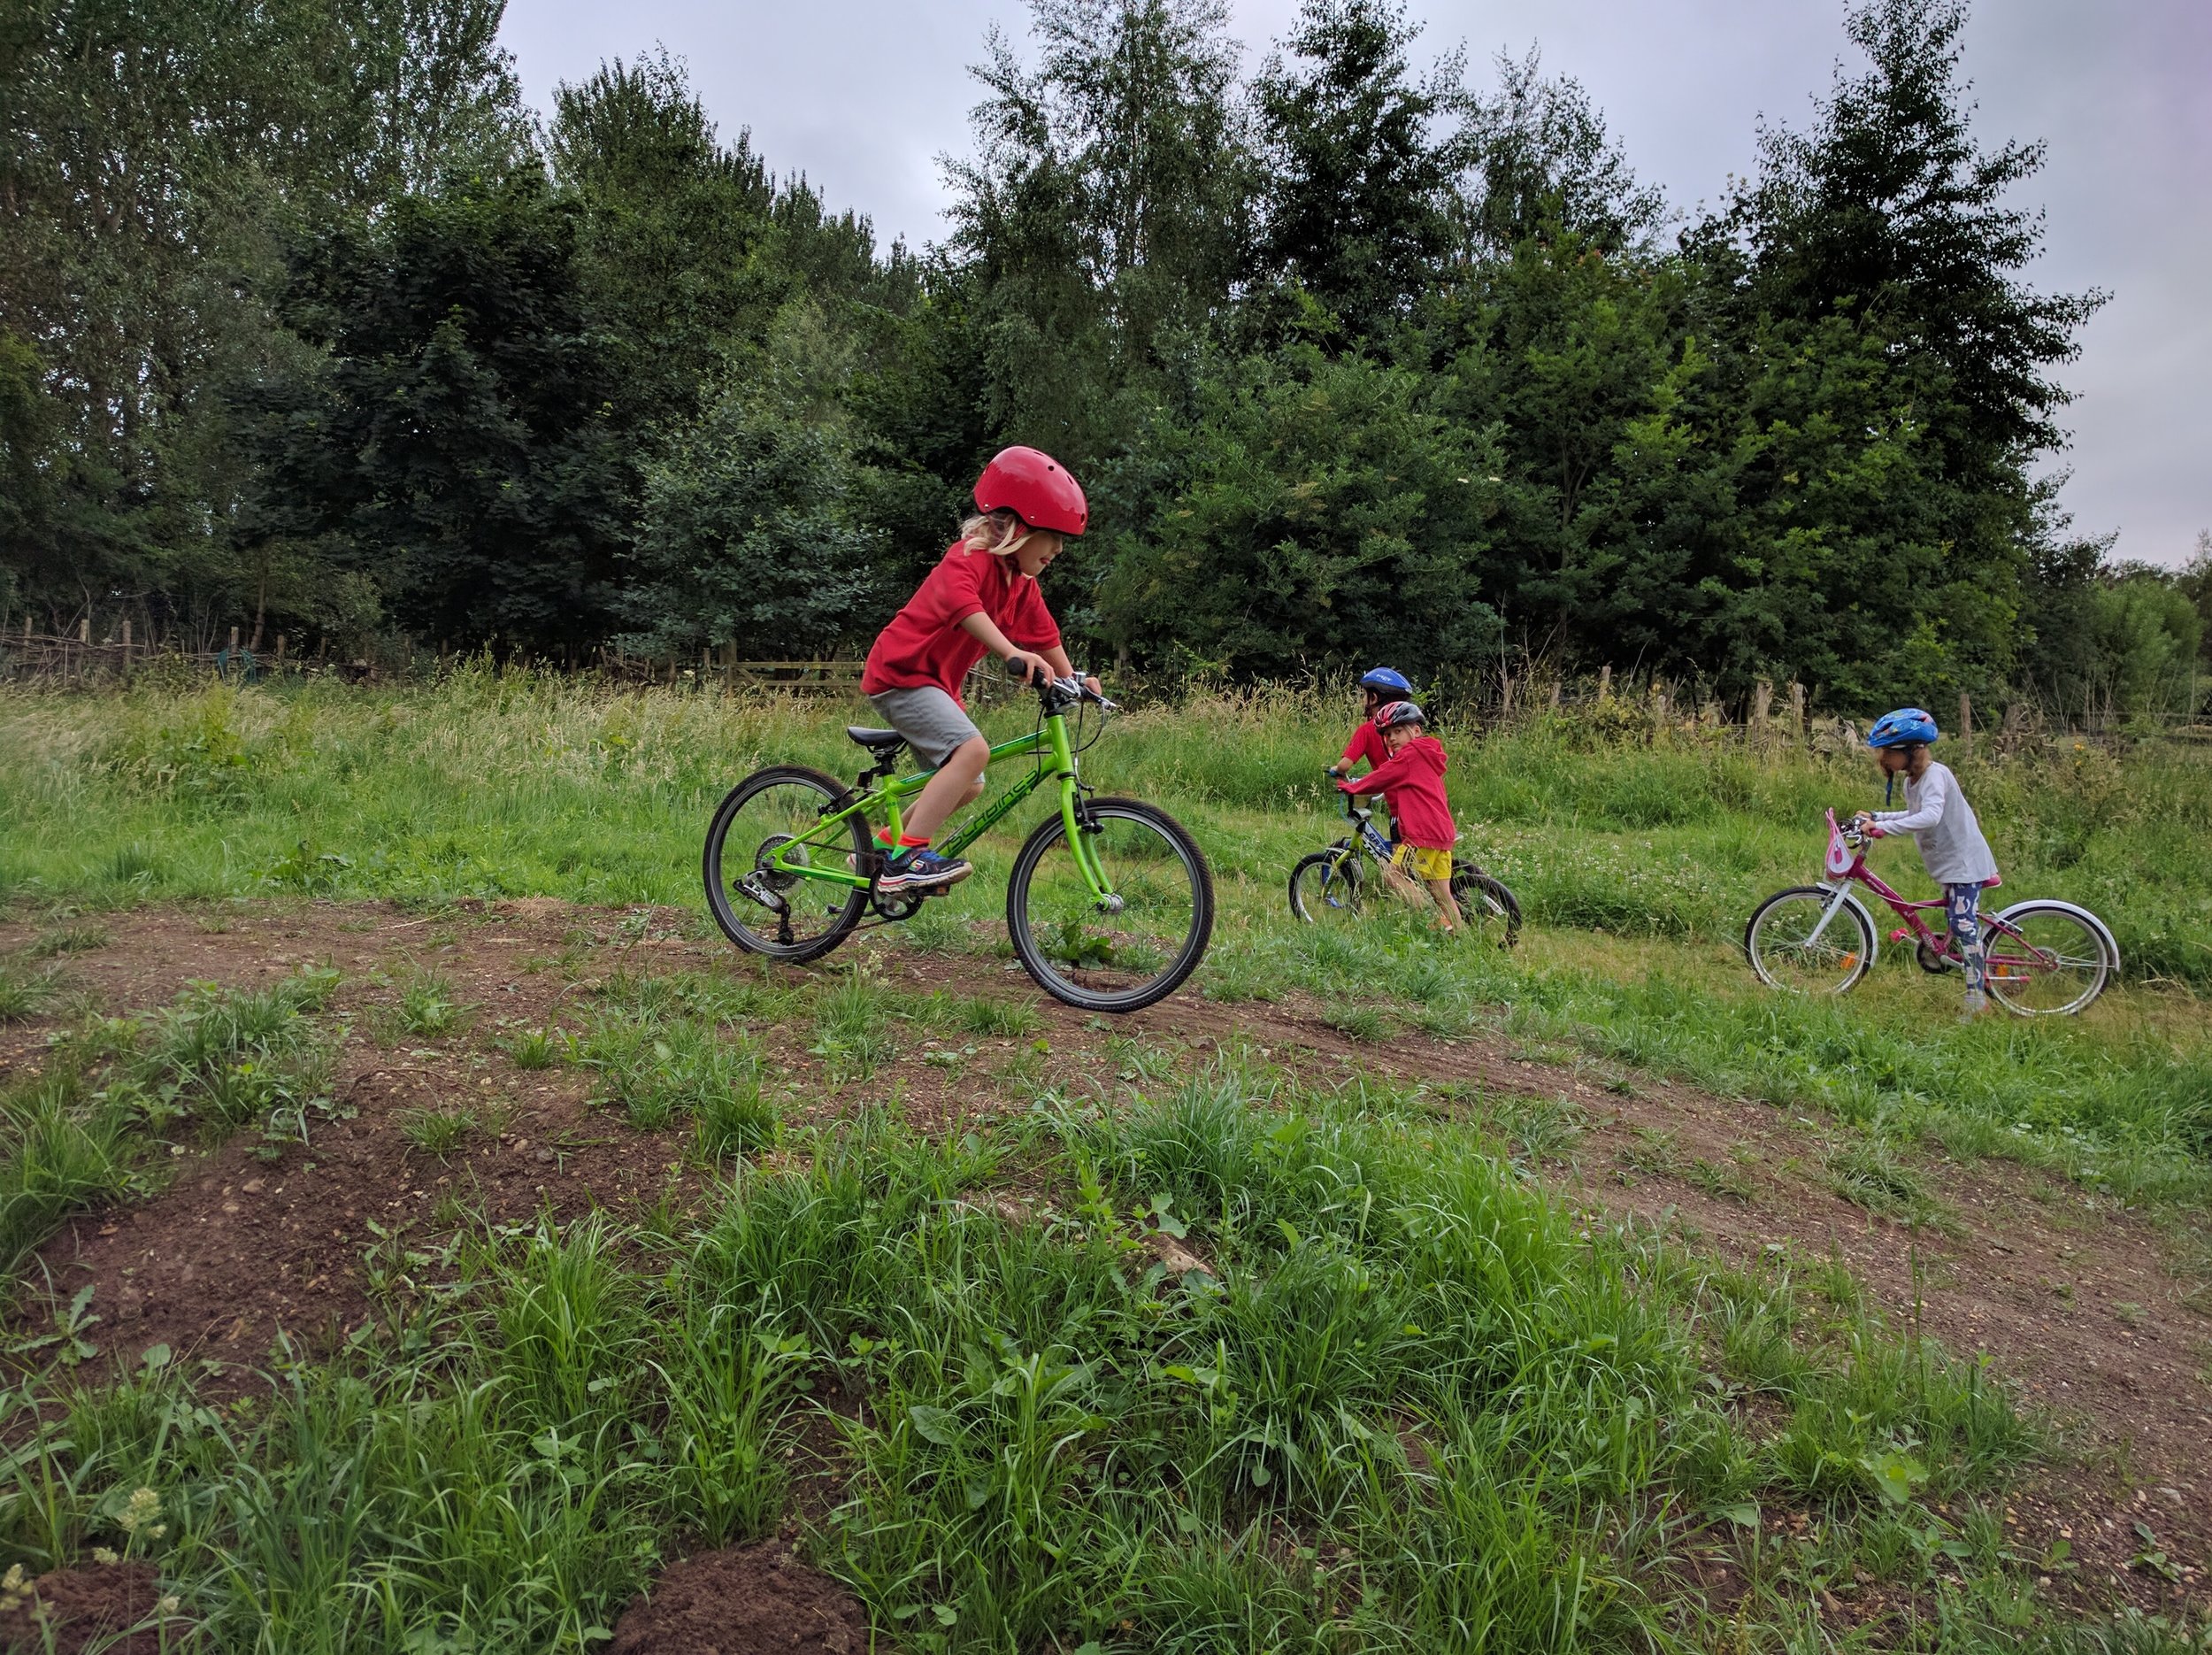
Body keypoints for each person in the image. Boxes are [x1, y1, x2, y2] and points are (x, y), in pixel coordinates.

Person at [857, 446, 1099, 894]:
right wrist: (1012, 652)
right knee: (972, 752)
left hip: (935, 685)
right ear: (1019, 527)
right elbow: (967, 609)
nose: (1059, 549)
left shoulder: (1020, 584)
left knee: (969, 783)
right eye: (1052, 535)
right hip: (901, 675)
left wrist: (1075, 678)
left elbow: (1045, 636)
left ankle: (881, 851)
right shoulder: (968, 558)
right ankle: (906, 859)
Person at [1850, 707, 2001, 1020]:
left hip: (1964, 863)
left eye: (1888, 753)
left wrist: (1883, 829)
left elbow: (1930, 816)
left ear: (1910, 751)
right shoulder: (1913, 782)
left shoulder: (1936, 776)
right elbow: (1912, 813)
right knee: (1956, 923)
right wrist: (1878, 817)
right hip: (1948, 864)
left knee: (1963, 926)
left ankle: (1977, 999)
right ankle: (1955, 962)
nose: (1883, 760)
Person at [1335, 700, 1462, 933]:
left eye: (1398, 731)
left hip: (1421, 834)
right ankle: (1460, 937)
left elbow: (1382, 776)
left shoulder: (1409, 756)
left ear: (1415, 730)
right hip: (1443, 833)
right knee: (1441, 892)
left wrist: (1352, 787)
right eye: (1387, 734)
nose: (1392, 738)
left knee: (1392, 875)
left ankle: (1433, 921)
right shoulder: (1427, 755)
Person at [1327, 667, 1414, 836]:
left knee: (1398, 860)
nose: (1363, 699)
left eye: (1365, 695)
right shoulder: (1407, 731)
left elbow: (1345, 765)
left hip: (1399, 807)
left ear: (1373, 698)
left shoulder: (1368, 730)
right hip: (1420, 800)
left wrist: (1336, 770)